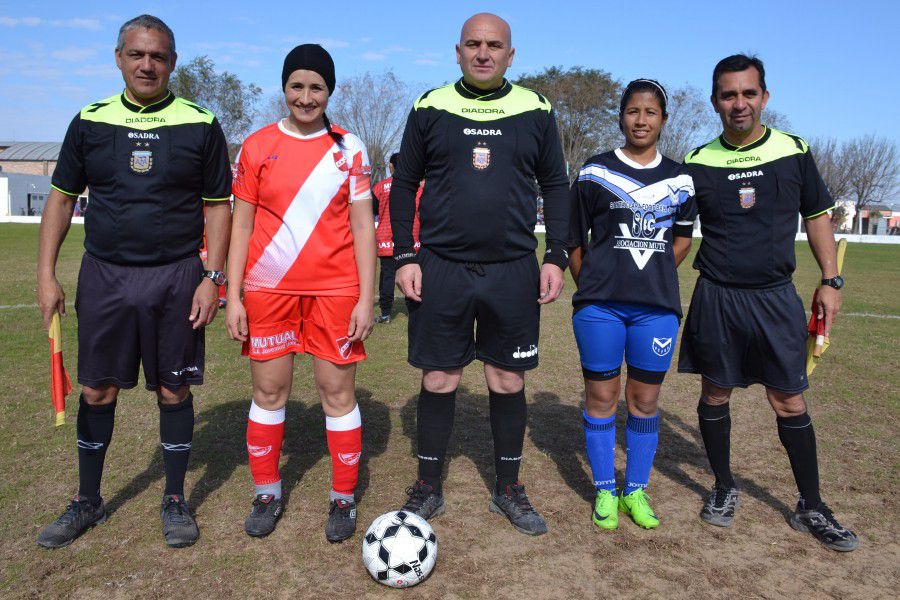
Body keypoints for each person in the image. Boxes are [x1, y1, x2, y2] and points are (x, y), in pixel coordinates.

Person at [35, 14, 232, 549]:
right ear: (118, 58)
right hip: (105, 275)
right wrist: (46, 275)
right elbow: (61, 198)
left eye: (159, 56)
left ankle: (173, 499)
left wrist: (213, 277)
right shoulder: (90, 121)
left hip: (177, 277)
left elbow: (218, 206)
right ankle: (87, 499)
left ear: (173, 62)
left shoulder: (200, 122)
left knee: (173, 388)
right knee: (97, 389)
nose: (148, 64)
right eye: (137, 54)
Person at [390, 13, 570, 536]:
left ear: (511, 55)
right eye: (474, 44)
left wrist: (556, 255)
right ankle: (428, 485)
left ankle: (508, 488)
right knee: (439, 376)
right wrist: (405, 256)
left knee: (506, 377)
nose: (484, 53)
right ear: (458, 51)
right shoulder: (430, 105)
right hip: (441, 266)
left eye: (495, 45)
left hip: (512, 268)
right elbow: (404, 185)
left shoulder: (535, 108)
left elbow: (556, 185)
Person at [679, 54, 858, 551]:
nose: (739, 104)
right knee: (716, 394)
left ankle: (812, 505)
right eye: (729, 95)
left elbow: (818, 216)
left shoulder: (792, 151)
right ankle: (722, 487)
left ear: (764, 96)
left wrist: (831, 281)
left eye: (748, 93)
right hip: (716, 296)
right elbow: (673, 230)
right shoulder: (698, 161)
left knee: (789, 399)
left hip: (775, 297)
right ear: (715, 101)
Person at [225, 44, 375, 542]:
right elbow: (240, 224)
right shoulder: (256, 145)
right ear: (283, 87)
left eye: (316, 88)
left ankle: (343, 498)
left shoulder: (349, 147)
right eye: (297, 86)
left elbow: (362, 226)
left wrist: (365, 296)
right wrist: (235, 295)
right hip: (268, 290)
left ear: (329, 91)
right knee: (269, 392)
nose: (306, 98)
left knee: (337, 394)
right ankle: (266, 491)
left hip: (336, 291)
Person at [569, 79, 696, 531]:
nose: (641, 120)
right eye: (632, 112)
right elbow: (573, 241)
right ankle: (605, 488)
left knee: (644, 401)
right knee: (601, 398)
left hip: (656, 310)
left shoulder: (681, 178)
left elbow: (682, 238)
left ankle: (635, 490)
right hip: (600, 308)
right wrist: (597, 284)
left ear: (663, 118)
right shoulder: (593, 172)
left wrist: (654, 274)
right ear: (621, 116)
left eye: (650, 112)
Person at [371, 152, 421, 323]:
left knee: (387, 277)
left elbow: (372, 212)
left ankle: (385, 314)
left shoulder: (379, 187)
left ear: (391, 166)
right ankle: (415, 311)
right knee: (413, 275)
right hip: (411, 239)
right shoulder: (417, 188)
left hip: (386, 240)